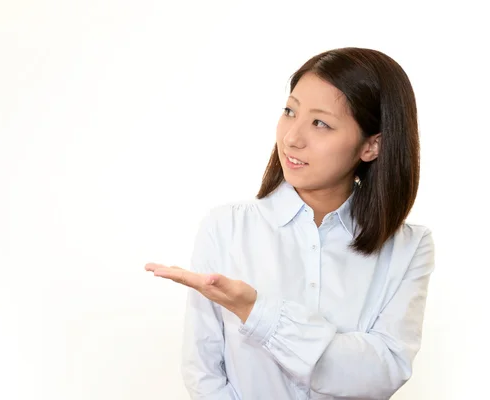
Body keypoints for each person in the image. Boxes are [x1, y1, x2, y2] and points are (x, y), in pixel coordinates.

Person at [145, 47, 435, 400]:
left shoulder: (408, 247)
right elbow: (204, 373)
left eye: (320, 123)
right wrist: (338, 347)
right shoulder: (226, 228)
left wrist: (258, 312)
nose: (292, 138)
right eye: (289, 111)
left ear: (371, 145)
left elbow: (381, 373)